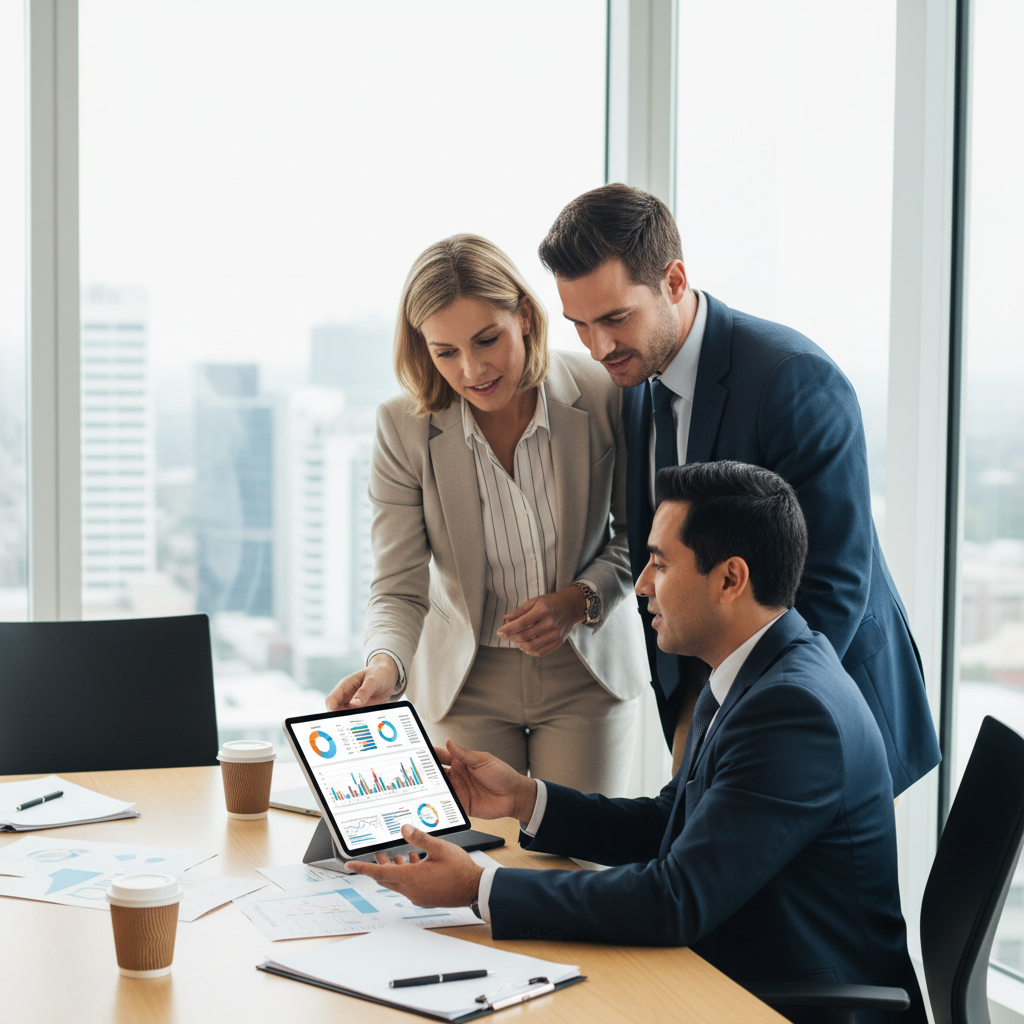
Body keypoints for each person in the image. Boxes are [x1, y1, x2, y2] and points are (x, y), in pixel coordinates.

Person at [345, 462, 926, 1022]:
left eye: (660, 564)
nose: (642, 584)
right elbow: (667, 826)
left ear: (730, 579)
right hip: (731, 971)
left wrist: (479, 886)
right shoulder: (756, 673)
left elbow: (676, 899)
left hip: (788, 1003)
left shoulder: (792, 712)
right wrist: (524, 797)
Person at [535, 183, 939, 795]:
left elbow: (834, 584)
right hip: (703, 699)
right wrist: (695, 712)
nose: (599, 347)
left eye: (615, 318)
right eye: (580, 325)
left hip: (822, 702)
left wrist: (746, 720)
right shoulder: (636, 380)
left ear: (673, 281)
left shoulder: (792, 379)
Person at [324, 234, 647, 796]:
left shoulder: (601, 392)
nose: (472, 369)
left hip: (586, 670)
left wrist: (578, 600)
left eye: (486, 340)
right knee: (476, 851)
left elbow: (638, 536)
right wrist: (385, 664)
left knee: (581, 847)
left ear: (524, 315)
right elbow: (398, 585)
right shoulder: (402, 428)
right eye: (445, 352)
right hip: (463, 682)